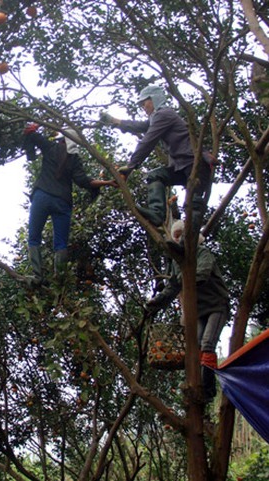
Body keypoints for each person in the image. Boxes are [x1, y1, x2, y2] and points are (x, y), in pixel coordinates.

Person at [100, 85, 215, 236]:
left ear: (155, 98)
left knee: (192, 203)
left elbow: (148, 141)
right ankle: (157, 213)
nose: (143, 107)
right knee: (155, 176)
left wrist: (130, 166)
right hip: (181, 166)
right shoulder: (157, 117)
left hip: (195, 162)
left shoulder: (164, 114)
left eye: (144, 103)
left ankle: (188, 242)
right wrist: (115, 121)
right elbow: (141, 126)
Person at [145, 219, 230, 405]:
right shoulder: (177, 263)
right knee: (196, 345)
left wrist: (188, 281)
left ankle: (208, 390)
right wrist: (155, 303)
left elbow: (202, 274)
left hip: (216, 306)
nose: (179, 240)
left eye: (182, 236)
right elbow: (172, 287)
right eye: (176, 237)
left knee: (207, 343)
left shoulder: (203, 253)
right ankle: (196, 385)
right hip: (199, 311)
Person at [23, 124, 116, 287]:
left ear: (61, 139)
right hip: (62, 203)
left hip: (42, 196)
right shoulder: (75, 160)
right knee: (61, 243)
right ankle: (59, 279)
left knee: (34, 238)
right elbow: (84, 181)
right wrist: (108, 182)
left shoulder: (51, 147)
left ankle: (38, 276)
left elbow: (30, 134)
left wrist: (34, 126)